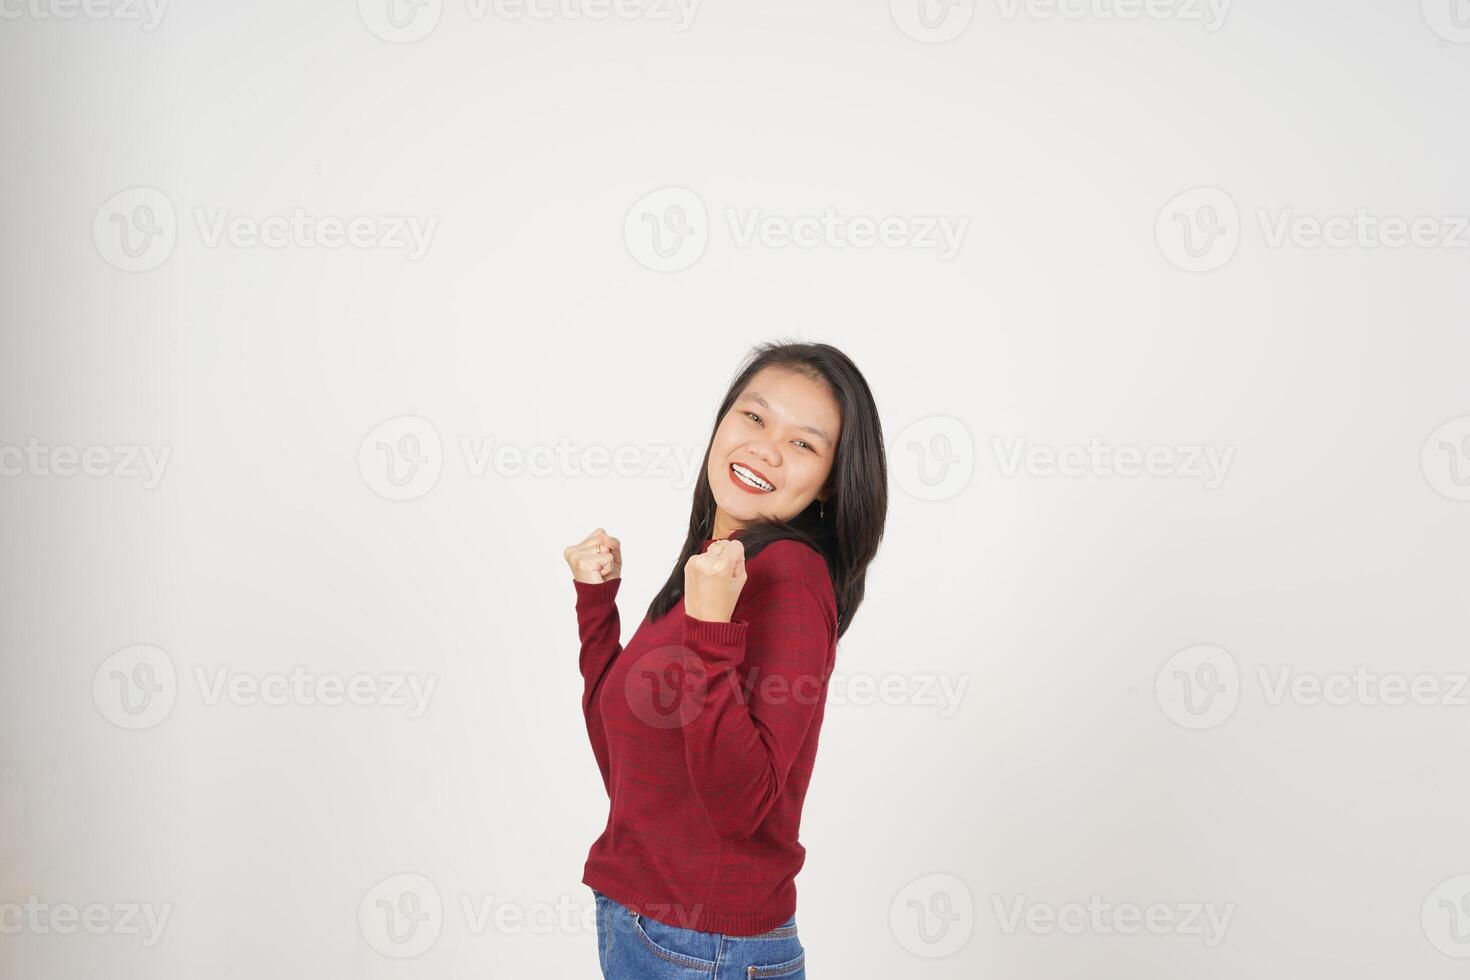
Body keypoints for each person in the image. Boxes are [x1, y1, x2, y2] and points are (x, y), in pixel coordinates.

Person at [564, 341, 888, 978]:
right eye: (755, 417)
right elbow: (625, 765)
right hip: (642, 926)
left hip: (710, 948)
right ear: (722, 424)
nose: (766, 448)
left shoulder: (790, 577)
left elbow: (742, 808)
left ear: (829, 484)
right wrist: (597, 607)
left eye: (804, 444)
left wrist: (711, 633)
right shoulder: (715, 569)